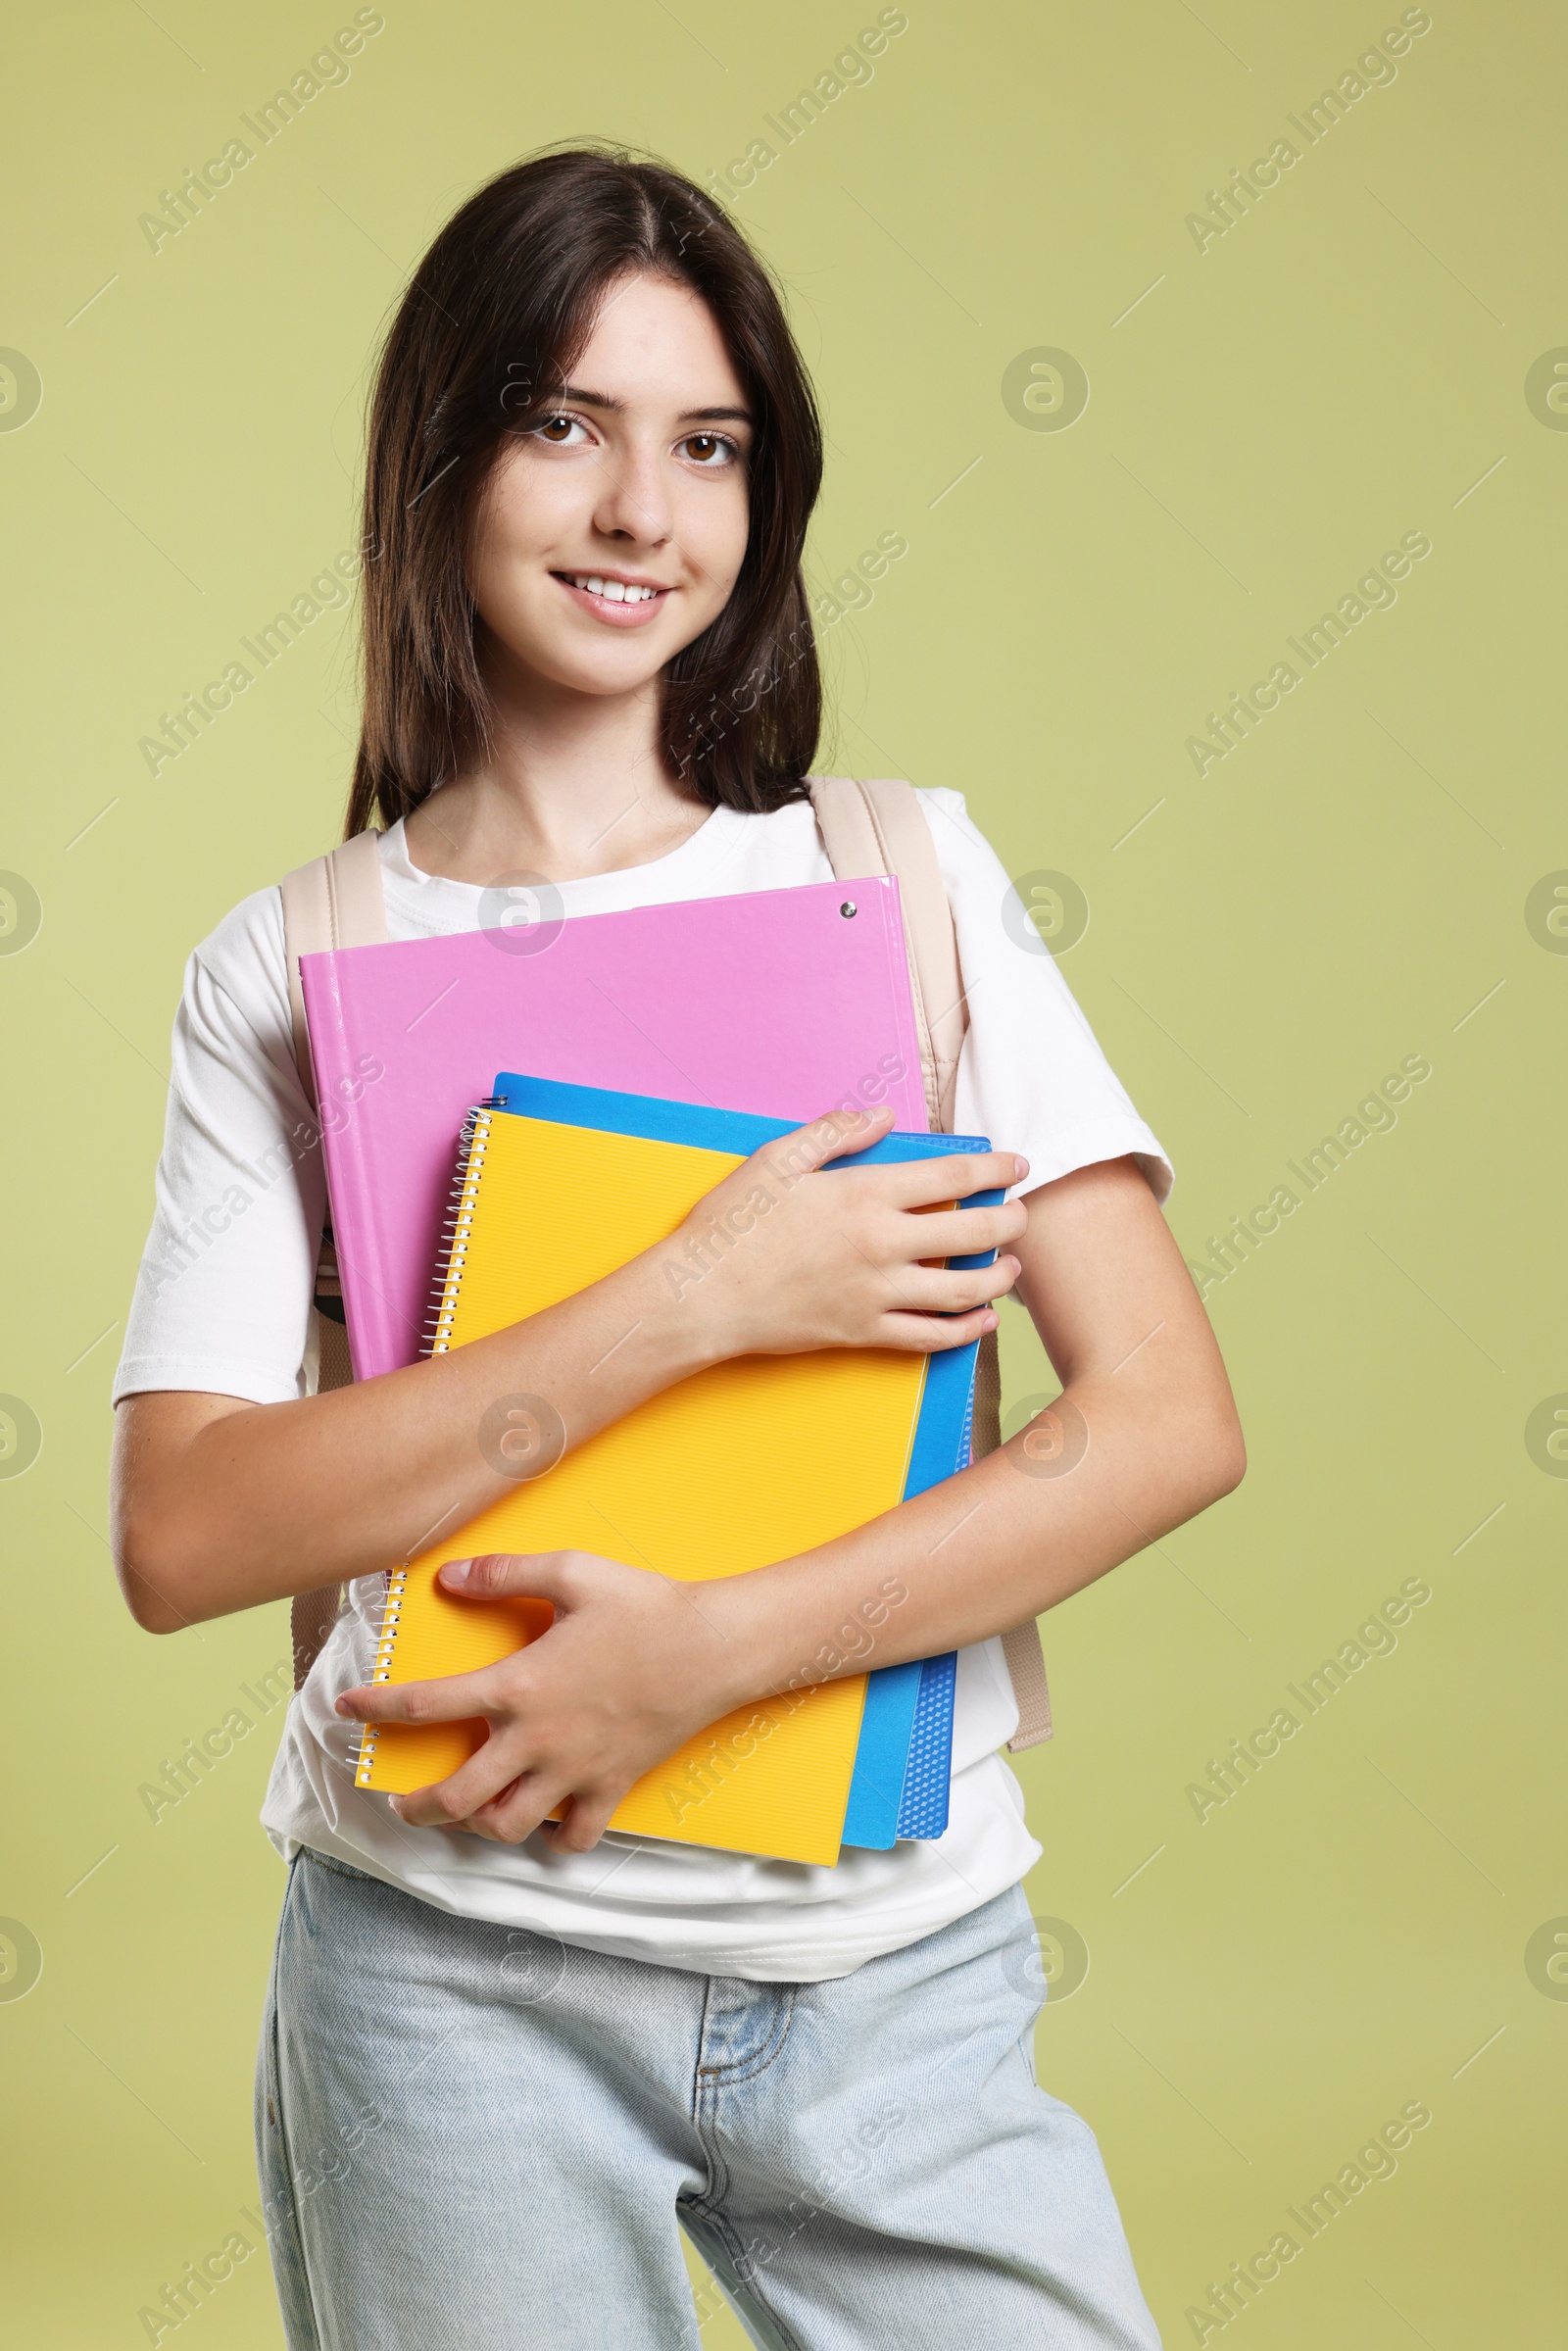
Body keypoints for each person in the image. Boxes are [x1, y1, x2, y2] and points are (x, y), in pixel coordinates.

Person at [110, 146, 1243, 2351]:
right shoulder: (290, 964)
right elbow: (182, 1532)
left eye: (704, 443)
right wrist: (696, 1295)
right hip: (448, 1990)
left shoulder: (905, 880)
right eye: (565, 425)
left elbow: (1161, 1425)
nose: (642, 510)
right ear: (441, 457)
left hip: (891, 1965)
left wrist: (706, 1655)